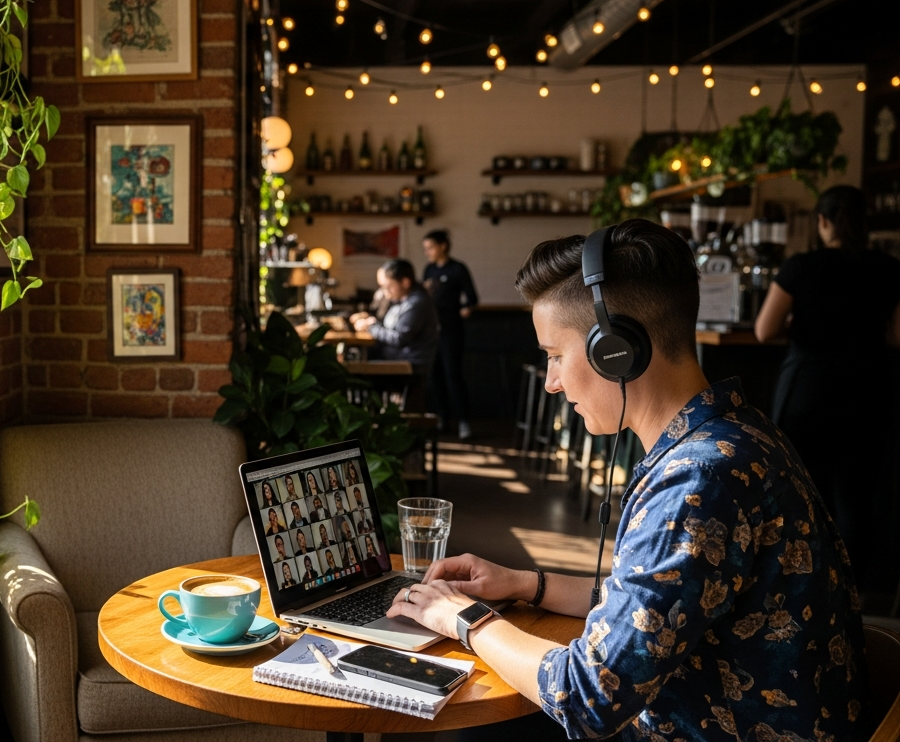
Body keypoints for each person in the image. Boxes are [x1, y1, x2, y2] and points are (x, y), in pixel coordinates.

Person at [385, 220, 867, 741]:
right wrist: (527, 584)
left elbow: (589, 697)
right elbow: (655, 609)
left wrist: (464, 617)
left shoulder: (699, 480)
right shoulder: (735, 432)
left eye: (554, 356)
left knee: (466, 723)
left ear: (614, 350)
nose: (551, 382)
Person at [755, 185, 900, 591]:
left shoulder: (801, 266)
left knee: (803, 487)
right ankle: (853, 589)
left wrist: (801, 324)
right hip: (868, 388)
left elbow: (764, 329)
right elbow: (896, 335)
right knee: (856, 494)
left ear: (822, 222)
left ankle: (806, 582)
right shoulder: (889, 269)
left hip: (811, 389)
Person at [422, 229, 479, 440]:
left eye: (430, 247)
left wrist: (465, 309)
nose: (427, 252)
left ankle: (464, 421)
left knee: (453, 375)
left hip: (452, 331)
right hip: (431, 331)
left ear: (442, 246)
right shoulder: (428, 269)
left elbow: (472, 298)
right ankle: (442, 419)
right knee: (434, 377)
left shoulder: (457, 268)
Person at [351, 259, 439, 370]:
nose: (385, 291)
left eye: (388, 286)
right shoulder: (402, 299)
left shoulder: (416, 303)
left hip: (408, 366)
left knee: (354, 368)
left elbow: (399, 338)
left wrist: (370, 328)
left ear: (405, 282)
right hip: (397, 359)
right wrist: (372, 322)